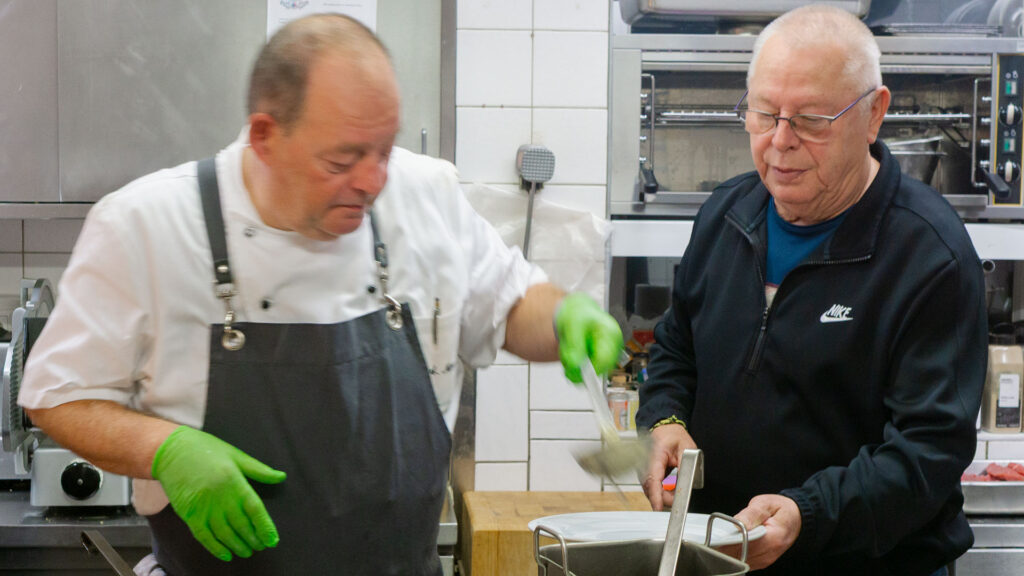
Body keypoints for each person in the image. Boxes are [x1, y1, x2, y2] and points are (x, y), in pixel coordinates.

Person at [17, 14, 622, 576]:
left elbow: (513, 305)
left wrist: (567, 314)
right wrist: (164, 449)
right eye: (342, 159)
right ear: (264, 136)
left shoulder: (423, 193)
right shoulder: (144, 226)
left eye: (383, 151)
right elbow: (56, 395)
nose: (371, 180)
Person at [635, 6, 985, 576]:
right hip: (722, 558)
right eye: (763, 113)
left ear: (873, 115)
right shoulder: (726, 214)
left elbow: (927, 454)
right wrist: (664, 418)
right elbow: (676, 348)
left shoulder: (929, 256)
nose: (779, 142)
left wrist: (807, 512)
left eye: (811, 120)